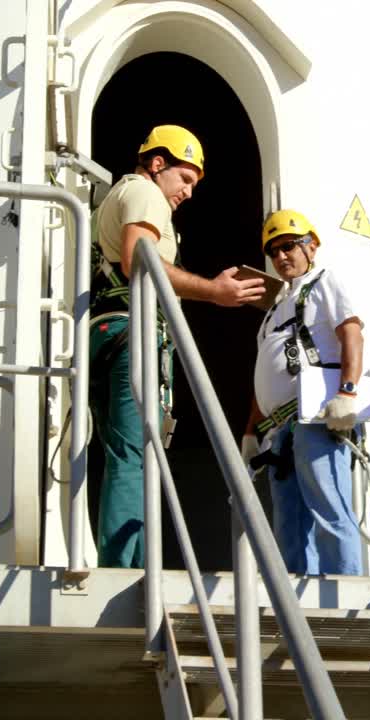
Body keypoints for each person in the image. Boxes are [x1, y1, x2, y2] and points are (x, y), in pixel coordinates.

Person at [90, 124, 264, 568]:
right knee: (135, 454)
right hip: (133, 332)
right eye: (185, 178)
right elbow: (138, 258)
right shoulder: (145, 193)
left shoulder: (118, 196)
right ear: (157, 163)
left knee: (123, 454)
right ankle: (126, 568)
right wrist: (214, 291)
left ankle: (124, 561)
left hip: (109, 331)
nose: (188, 192)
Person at [242, 209, 365, 576]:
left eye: (289, 246)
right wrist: (251, 432)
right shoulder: (272, 314)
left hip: (317, 417)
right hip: (279, 430)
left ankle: (345, 589)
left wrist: (347, 393)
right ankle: (296, 601)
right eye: (274, 251)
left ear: (311, 246)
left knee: (329, 509)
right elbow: (265, 374)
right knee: (290, 527)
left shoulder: (324, 282)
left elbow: (351, 333)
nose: (281, 256)